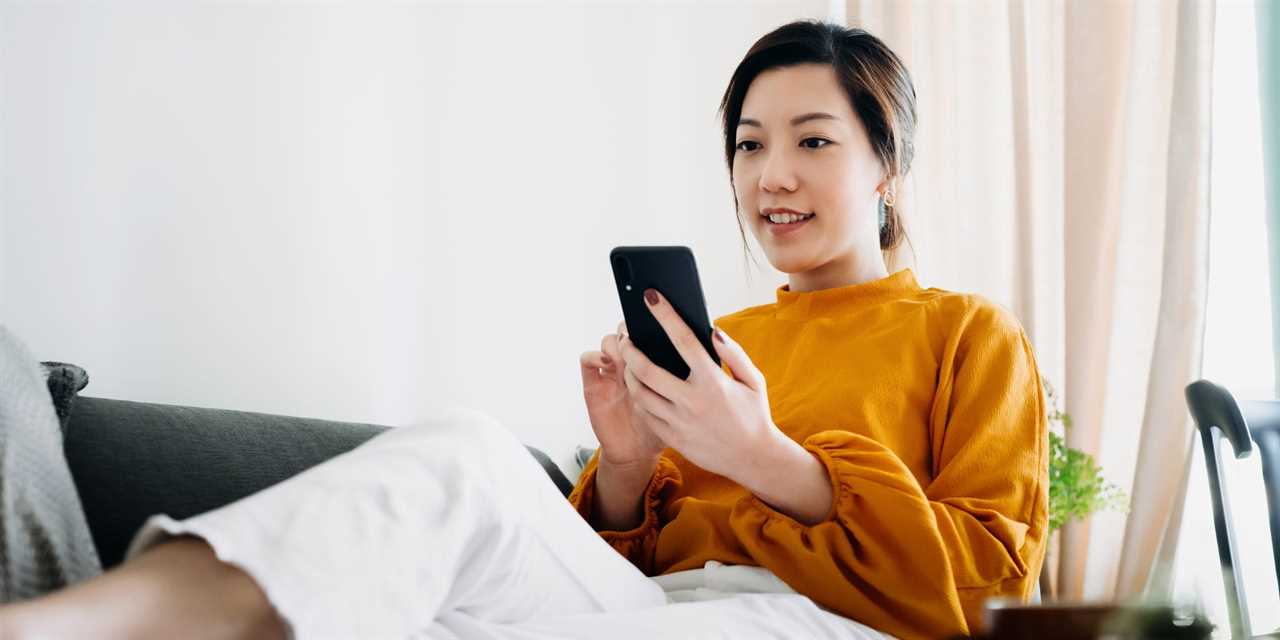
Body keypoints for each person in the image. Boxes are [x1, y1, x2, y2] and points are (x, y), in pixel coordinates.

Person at [0, 19, 1047, 640]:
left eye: (812, 140)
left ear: (885, 164)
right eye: (747, 144)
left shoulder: (967, 335)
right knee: (466, 450)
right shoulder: (717, 343)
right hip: (652, 610)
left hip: (822, 623)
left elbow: (988, 584)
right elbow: (628, 568)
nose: (770, 174)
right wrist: (630, 467)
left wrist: (764, 457)